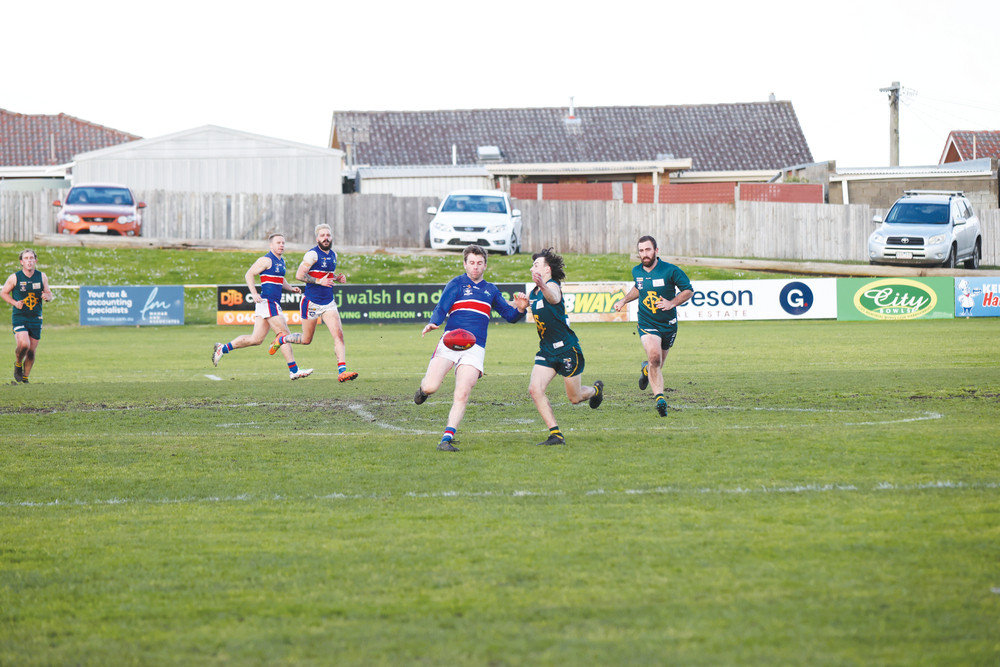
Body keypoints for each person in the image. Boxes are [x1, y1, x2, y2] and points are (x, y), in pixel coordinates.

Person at [414, 244, 529, 451]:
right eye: (471, 263)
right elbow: (442, 306)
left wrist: (521, 309)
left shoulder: (491, 290)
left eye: (479, 263)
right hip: (450, 342)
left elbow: (510, 316)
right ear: (465, 264)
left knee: (462, 392)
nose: (475, 267)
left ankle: (446, 439)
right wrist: (434, 322)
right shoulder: (456, 284)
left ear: (485, 265)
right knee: (431, 387)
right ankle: (423, 390)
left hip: (475, 348)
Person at [527, 248, 603, 446]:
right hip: (546, 351)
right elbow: (520, 307)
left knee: (575, 398)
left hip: (567, 350)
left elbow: (554, 298)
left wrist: (543, 285)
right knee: (535, 389)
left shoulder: (552, 286)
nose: (532, 267)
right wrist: (516, 303)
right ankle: (556, 434)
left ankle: (595, 390)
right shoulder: (533, 292)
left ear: (547, 269)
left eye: (536, 265)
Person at [212, 233, 313, 380]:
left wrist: (290, 288)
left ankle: (223, 348)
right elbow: (249, 274)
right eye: (278, 243)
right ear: (271, 245)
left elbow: (280, 279)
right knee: (283, 334)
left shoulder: (281, 261)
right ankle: (294, 370)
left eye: (283, 243)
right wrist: (253, 293)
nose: (282, 245)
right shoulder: (266, 259)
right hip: (267, 302)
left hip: (271, 303)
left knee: (256, 339)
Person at [613, 235, 693, 417]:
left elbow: (688, 291)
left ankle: (645, 369)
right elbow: (638, 287)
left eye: (648, 250)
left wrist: (672, 303)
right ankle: (660, 400)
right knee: (655, 358)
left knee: (657, 365)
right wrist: (624, 300)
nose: (645, 254)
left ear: (656, 251)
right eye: (641, 251)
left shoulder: (670, 271)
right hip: (647, 323)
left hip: (668, 325)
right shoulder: (637, 271)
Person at [267, 224, 358, 382]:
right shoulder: (312, 255)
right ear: (317, 239)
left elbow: (326, 274)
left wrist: (337, 278)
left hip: (328, 302)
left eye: (328, 235)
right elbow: (299, 275)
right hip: (311, 303)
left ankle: (342, 370)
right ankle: (281, 339)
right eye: (322, 235)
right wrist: (318, 281)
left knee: (339, 335)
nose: (326, 238)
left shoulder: (333, 255)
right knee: (306, 340)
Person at [1, 249, 53, 383]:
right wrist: (15, 303)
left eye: (31, 258)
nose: (29, 261)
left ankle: (25, 379)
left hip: (36, 318)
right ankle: (18, 363)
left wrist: (47, 297)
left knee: (31, 351)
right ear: (21, 262)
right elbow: (3, 293)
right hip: (20, 316)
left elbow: (49, 295)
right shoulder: (15, 277)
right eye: (26, 258)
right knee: (24, 344)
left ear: (35, 260)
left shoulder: (42, 276)